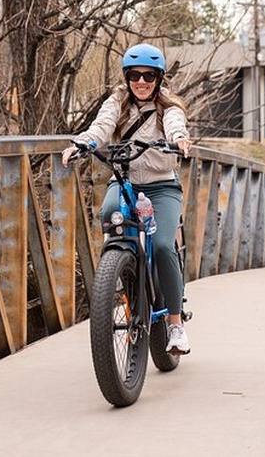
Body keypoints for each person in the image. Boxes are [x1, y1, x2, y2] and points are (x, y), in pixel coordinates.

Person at [62, 43, 193, 354]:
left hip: (162, 187)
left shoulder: (168, 109)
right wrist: (83, 143)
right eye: (135, 75)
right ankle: (121, 273)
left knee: (162, 245)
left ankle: (175, 324)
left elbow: (176, 126)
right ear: (127, 76)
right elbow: (101, 126)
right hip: (124, 183)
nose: (142, 81)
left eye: (149, 76)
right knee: (110, 215)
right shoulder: (117, 103)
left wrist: (179, 140)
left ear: (159, 78)